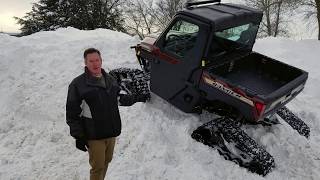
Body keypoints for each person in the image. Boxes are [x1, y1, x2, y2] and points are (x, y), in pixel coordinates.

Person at [66, 48, 147, 180]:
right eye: (91, 61)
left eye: (97, 60)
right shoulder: (78, 84)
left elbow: (117, 99)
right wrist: (78, 135)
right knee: (97, 167)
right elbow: (72, 112)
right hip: (94, 134)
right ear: (85, 63)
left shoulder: (110, 80)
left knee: (106, 161)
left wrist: (137, 97)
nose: (95, 63)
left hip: (111, 132)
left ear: (101, 60)